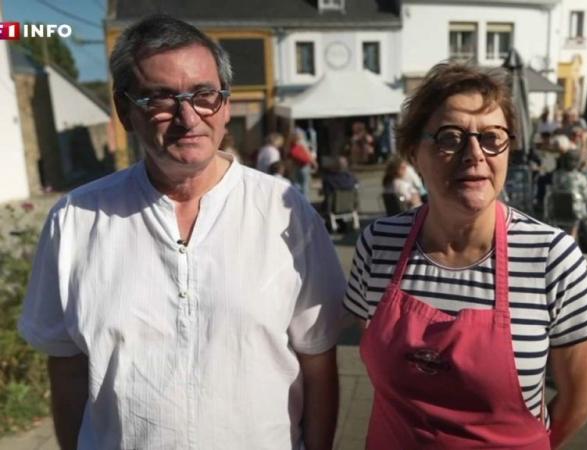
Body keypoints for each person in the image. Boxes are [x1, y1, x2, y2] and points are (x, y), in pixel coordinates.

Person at [18, 15, 345, 450]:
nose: (188, 117)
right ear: (124, 109)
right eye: (161, 98)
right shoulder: (76, 220)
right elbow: (67, 367)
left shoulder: (285, 212)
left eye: (204, 95)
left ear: (225, 105)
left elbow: (318, 358)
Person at [344, 63, 587, 450]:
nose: (474, 154)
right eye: (450, 138)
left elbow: (581, 397)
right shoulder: (379, 244)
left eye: (492, 137)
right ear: (414, 152)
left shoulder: (552, 259)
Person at [288, 128, 318, 197]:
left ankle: (297, 199)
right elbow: (308, 155)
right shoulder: (302, 144)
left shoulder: (291, 143)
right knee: (305, 185)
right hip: (304, 166)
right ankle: (305, 201)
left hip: (295, 165)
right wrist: (314, 163)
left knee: (297, 184)